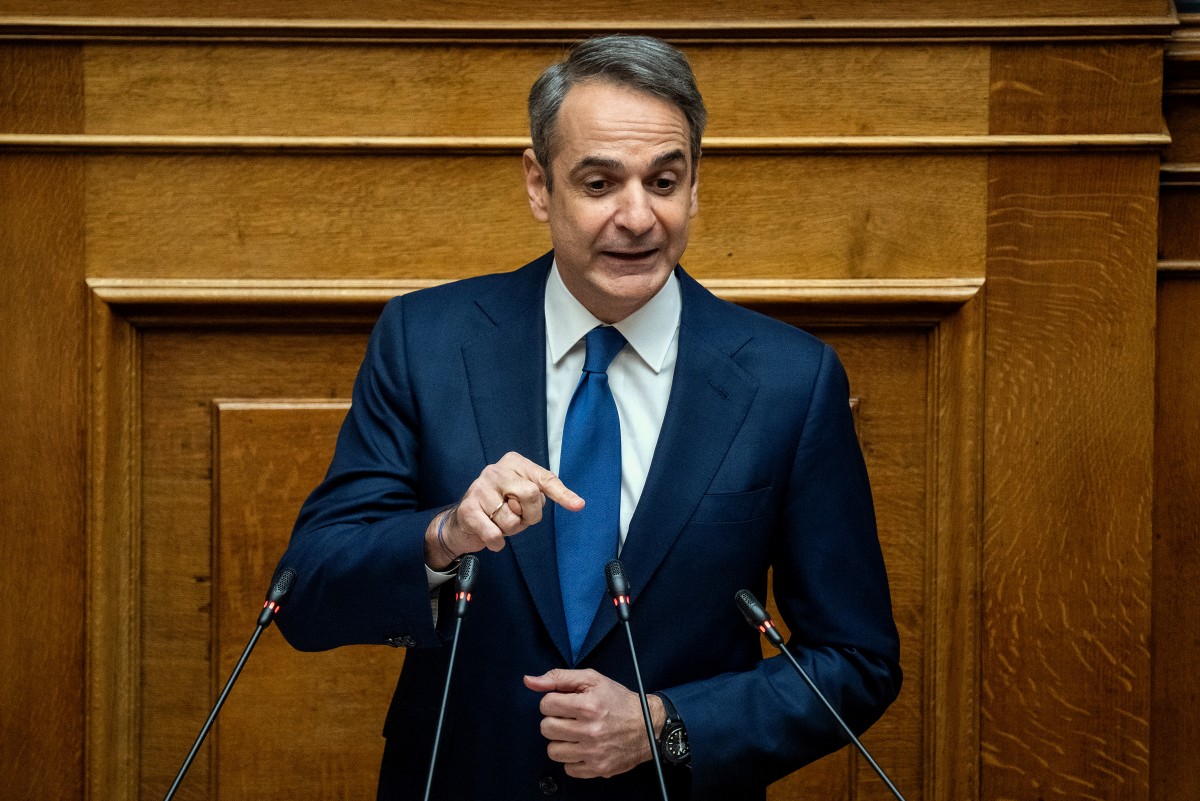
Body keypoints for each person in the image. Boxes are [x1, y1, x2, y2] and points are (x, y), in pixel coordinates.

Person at [274, 34, 901, 801]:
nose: (638, 216)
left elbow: (856, 659)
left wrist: (668, 724)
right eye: (600, 182)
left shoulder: (789, 381)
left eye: (664, 181)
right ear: (540, 185)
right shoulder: (426, 341)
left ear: (695, 187)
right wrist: (445, 537)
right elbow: (305, 595)